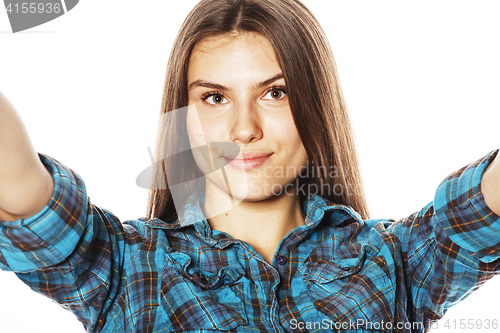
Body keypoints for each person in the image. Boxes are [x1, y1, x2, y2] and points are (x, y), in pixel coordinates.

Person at [1, 0, 499, 332]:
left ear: (316, 104)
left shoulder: (395, 263)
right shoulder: (124, 268)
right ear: (185, 118)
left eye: (275, 93)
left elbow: (476, 215)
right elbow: (26, 193)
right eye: (215, 98)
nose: (244, 129)